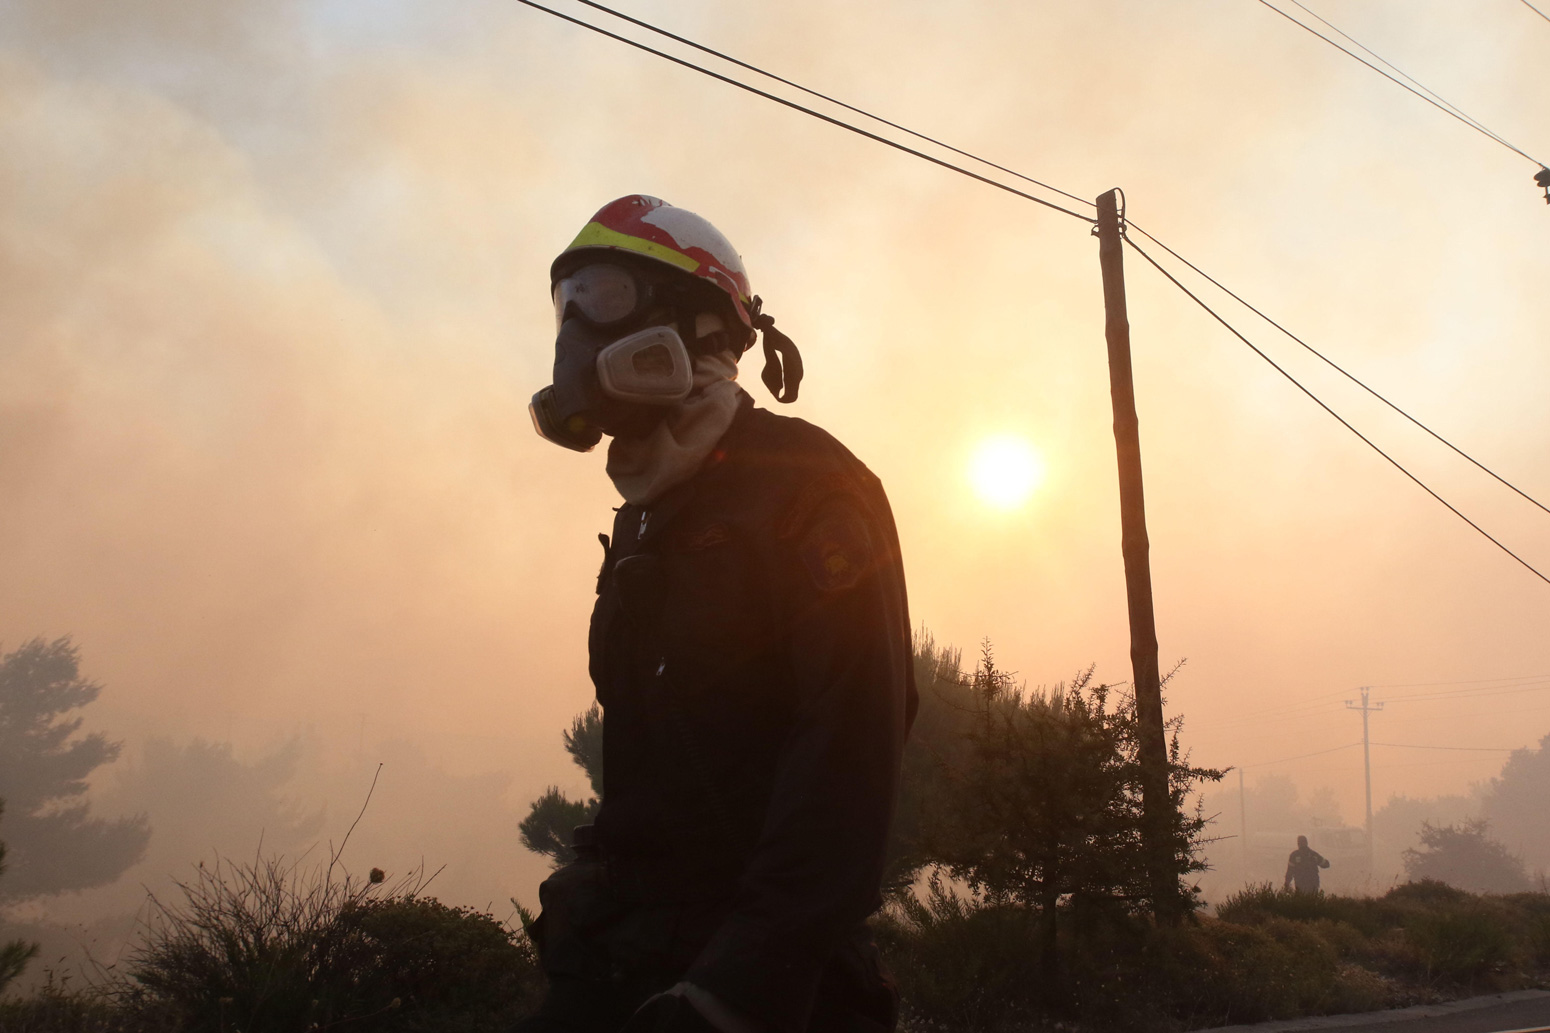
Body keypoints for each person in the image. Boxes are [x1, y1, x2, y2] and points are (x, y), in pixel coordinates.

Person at [521, 194, 917, 1033]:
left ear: (703, 326)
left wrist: (733, 992)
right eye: (568, 306)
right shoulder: (648, 512)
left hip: (765, 986)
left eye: (605, 298)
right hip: (627, 958)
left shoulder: (810, 488)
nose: (576, 336)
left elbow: (849, 751)